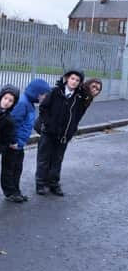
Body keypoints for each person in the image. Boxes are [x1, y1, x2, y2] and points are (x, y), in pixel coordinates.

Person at [35, 69, 87, 197]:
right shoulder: (55, 92)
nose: (74, 82)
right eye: (72, 79)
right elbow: (43, 108)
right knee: (44, 159)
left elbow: (78, 115)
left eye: (77, 80)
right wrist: (47, 123)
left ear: (80, 83)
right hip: (49, 132)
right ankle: (40, 184)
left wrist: (72, 129)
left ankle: (54, 184)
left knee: (57, 160)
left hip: (64, 135)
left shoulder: (78, 97)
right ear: (67, 79)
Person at [0, 78, 51, 203]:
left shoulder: (28, 103)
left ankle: (16, 191)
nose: (45, 98)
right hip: (13, 144)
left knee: (17, 169)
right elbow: (12, 124)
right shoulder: (23, 103)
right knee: (10, 169)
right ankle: (10, 192)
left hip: (19, 144)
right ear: (37, 93)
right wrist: (13, 141)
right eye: (44, 95)